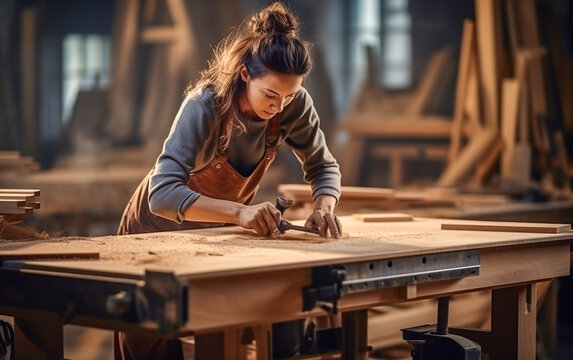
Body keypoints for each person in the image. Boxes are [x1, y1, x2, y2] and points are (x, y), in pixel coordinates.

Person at [114, 2, 342, 359]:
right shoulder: (205, 105)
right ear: (244, 74)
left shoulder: (292, 104)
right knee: (152, 338)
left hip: (215, 233)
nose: (279, 107)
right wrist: (239, 214)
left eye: (289, 96)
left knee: (223, 326)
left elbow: (323, 167)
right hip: (153, 229)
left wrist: (323, 207)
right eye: (271, 95)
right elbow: (162, 194)